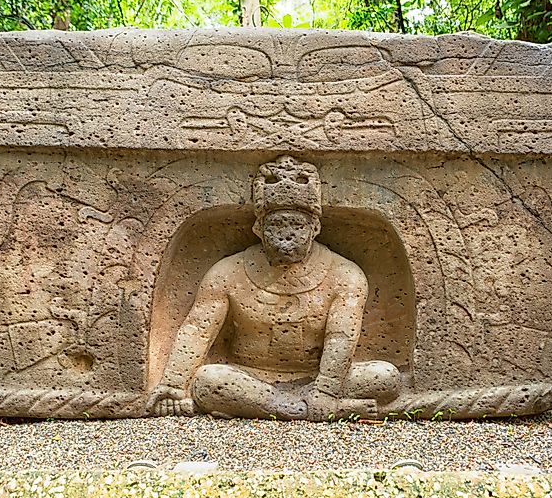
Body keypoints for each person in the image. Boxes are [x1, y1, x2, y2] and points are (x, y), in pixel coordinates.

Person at [147, 156, 400, 420]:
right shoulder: (227, 273)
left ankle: (286, 406)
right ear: (258, 228)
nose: (287, 235)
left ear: (315, 228)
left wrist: (326, 390)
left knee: (385, 377)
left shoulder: (345, 275)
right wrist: (174, 384)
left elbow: (341, 337)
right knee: (209, 379)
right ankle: (303, 410)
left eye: (297, 225)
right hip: (249, 376)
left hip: (320, 380)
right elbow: (198, 328)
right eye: (277, 225)